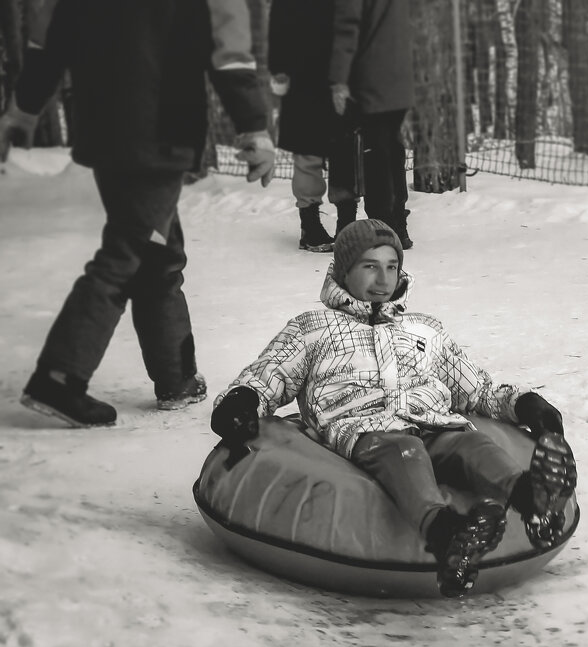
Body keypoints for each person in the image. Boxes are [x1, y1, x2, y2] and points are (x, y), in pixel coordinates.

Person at [209, 219, 577, 597]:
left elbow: (476, 386)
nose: (383, 279)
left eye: (391, 266)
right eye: (370, 266)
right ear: (343, 270)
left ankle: (532, 500)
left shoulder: (424, 330)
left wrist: (522, 403)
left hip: (432, 421)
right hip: (364, 430)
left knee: (472, 445)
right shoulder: (313, 328)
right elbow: (269, 372)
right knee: (407, 451)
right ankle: (445, 534)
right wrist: (242, 400)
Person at [0, 0, 276, 428]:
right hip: (162, 128)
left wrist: (23, 109)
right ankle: (59, 375)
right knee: (128, 250)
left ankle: (176, 377)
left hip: (102, 127)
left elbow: (49, 41)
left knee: (158, 247)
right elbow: (230, 52)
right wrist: (253, 127)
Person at [268, 0, 359, 252]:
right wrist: (280, 69)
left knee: (340, 149)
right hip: (308, 76)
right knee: (313, 150)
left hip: (333, 75)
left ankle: (345, 224)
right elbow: (278, 28)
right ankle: (312, 225)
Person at [329, 0, 415, 250]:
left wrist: (338, 79)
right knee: (391, 148)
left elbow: (348, 28)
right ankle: (397, 223)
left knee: (374, 155)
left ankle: (381, 230)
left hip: (370, 75)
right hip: (398, 75)